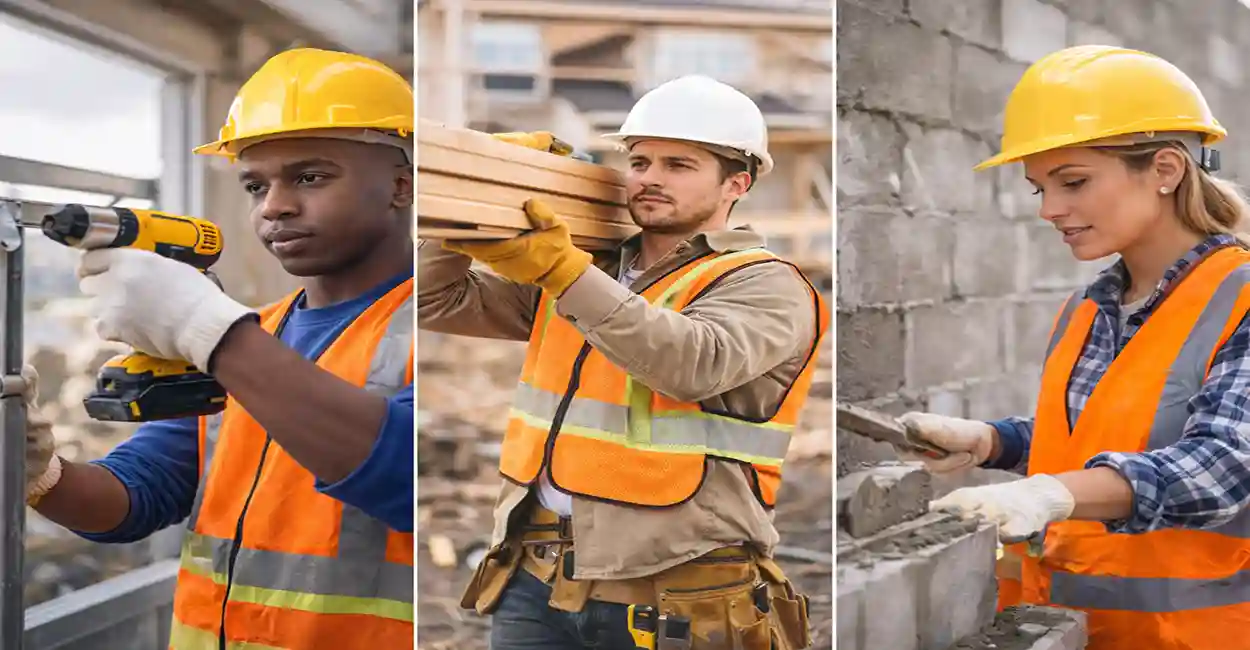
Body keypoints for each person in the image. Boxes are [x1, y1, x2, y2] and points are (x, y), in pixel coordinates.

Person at [23, 48, 415, 650]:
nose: (274, 206)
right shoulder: (255, 335)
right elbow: (137, 496)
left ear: (400, 185)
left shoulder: (439, 326)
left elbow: (402, 480)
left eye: (310, 177)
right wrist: (38, 474)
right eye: (256, 185)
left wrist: (208, 330)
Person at [419, 74, 827, 650]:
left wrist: (565, 272)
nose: (650, 179)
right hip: (537, 580)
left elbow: (690, 363)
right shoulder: (589, 270)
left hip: (678, 593)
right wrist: (477, 203)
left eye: (678, 166)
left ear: (737, 182)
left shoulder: (766, 284)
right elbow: (432, 300)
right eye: (640, 161)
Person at [893, 45, 1250, 649]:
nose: (1051, 210)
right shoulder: (1089, 308)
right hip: (1064, 631)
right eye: (1040, 189)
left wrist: (1050, 493)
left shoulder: (1239, 299)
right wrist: (994, 441)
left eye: (1074, 182)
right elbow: (1106, 440)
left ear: (1165, 169)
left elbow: (1224, 465)